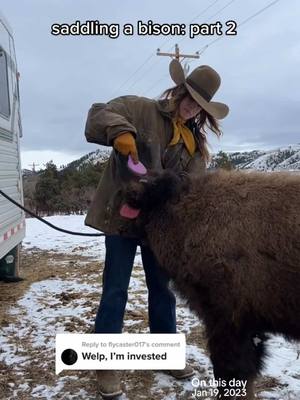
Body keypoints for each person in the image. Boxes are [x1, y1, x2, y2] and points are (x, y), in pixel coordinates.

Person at [84, 59, 229, 399]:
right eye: (190, 97)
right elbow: (97, 112)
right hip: (120, 218)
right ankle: (106, 366)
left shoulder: (195, 147)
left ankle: (164, 354)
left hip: (158, 228)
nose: (191, 107)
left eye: (199, 105)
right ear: (180, 91)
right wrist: (119, 131)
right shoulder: (140, 109)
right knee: (115, 291)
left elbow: (191, 186)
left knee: (162, 291)